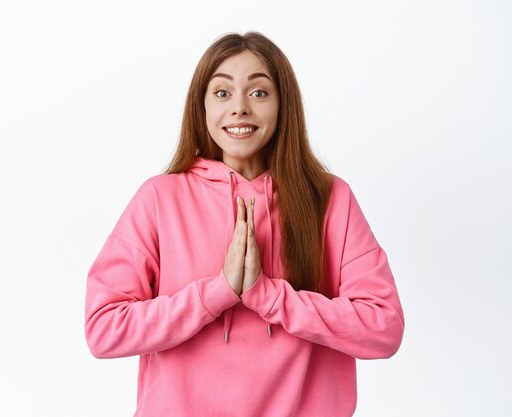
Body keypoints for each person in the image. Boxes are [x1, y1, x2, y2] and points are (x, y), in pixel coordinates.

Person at [84, 32, 405, 417]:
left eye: (258, 93)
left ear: (283, 105)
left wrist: (269, 297)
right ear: (200, 106)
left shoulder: (329, 198)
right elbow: (103, 329)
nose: (239, 108)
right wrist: (216, 293)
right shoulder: (159, 198)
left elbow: (383, 328)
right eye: (222, 93)